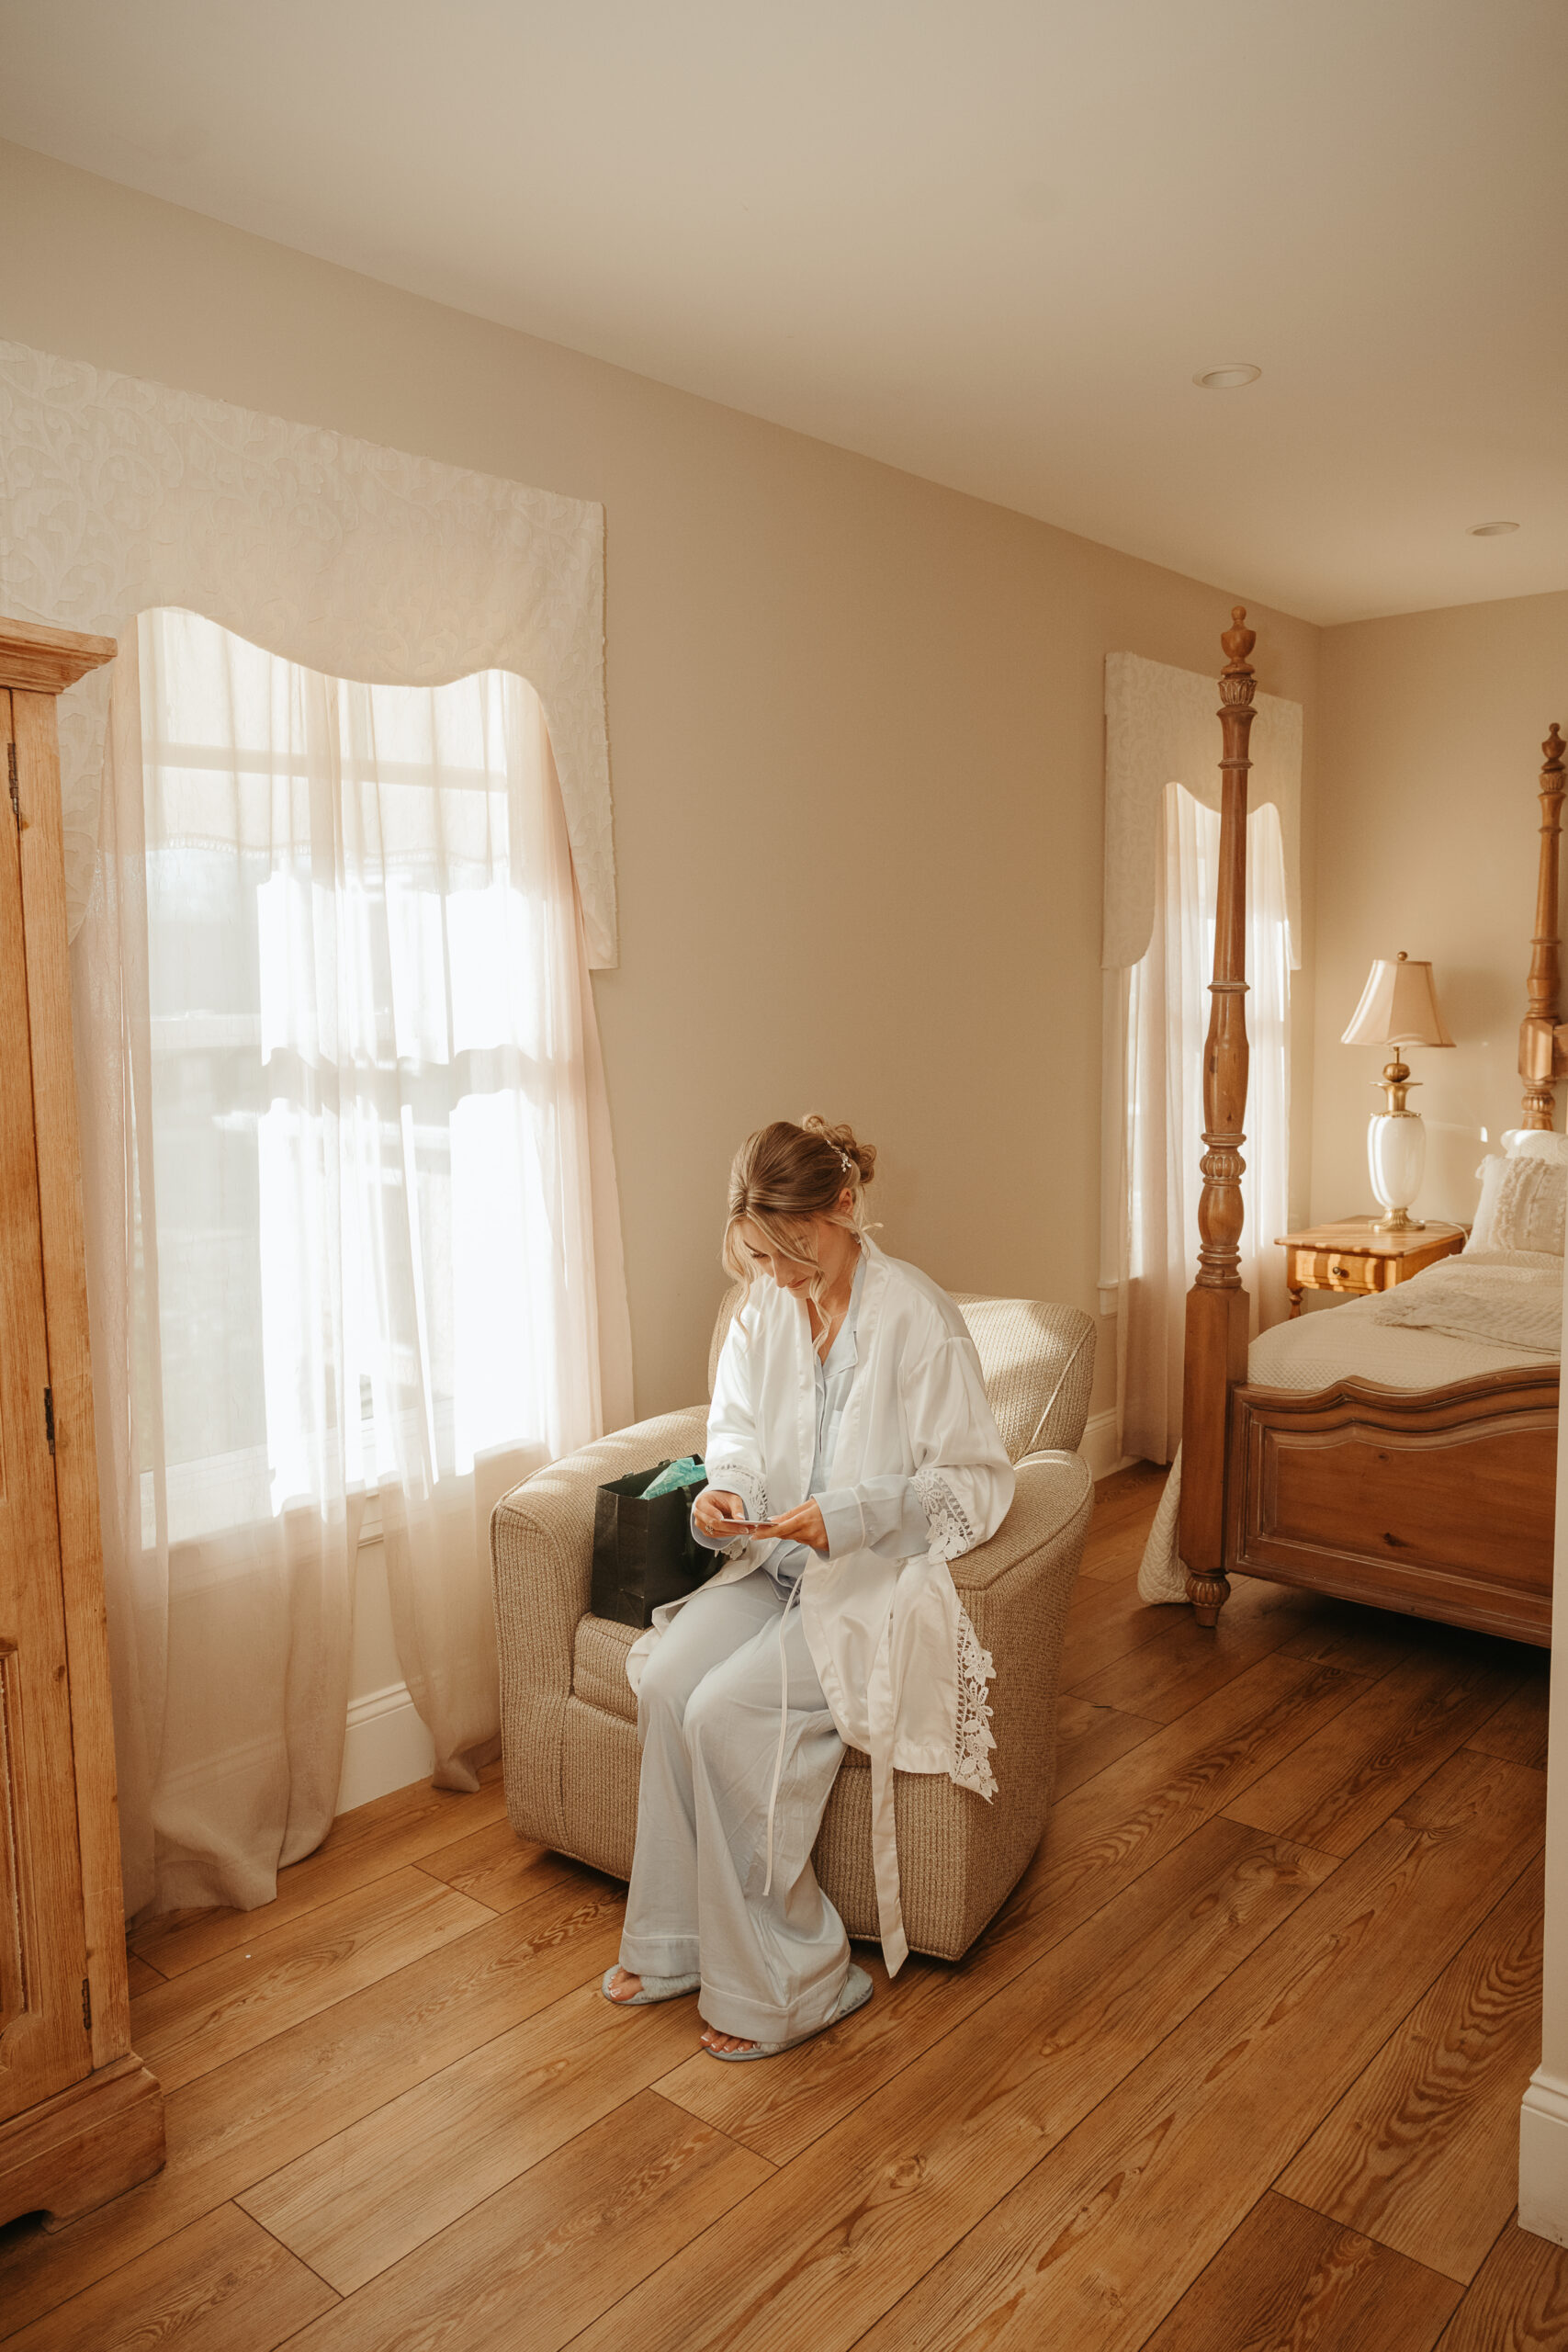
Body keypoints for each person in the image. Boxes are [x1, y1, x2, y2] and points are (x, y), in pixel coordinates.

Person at [603, 1114, 1014, 2060]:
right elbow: (737, 1423)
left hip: (862, 1582)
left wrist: (858, 1512)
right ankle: (671, 1939)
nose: (780, 1278)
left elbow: (978, 1484)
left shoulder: (917, 1316)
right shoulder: (764, 1302)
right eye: (761, 1256)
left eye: (794, 1254)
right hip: (767, 1564)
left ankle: (796, 1983)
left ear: (844, 1207)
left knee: (722, 1712)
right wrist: (727, 1489)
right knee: (668, 1681)